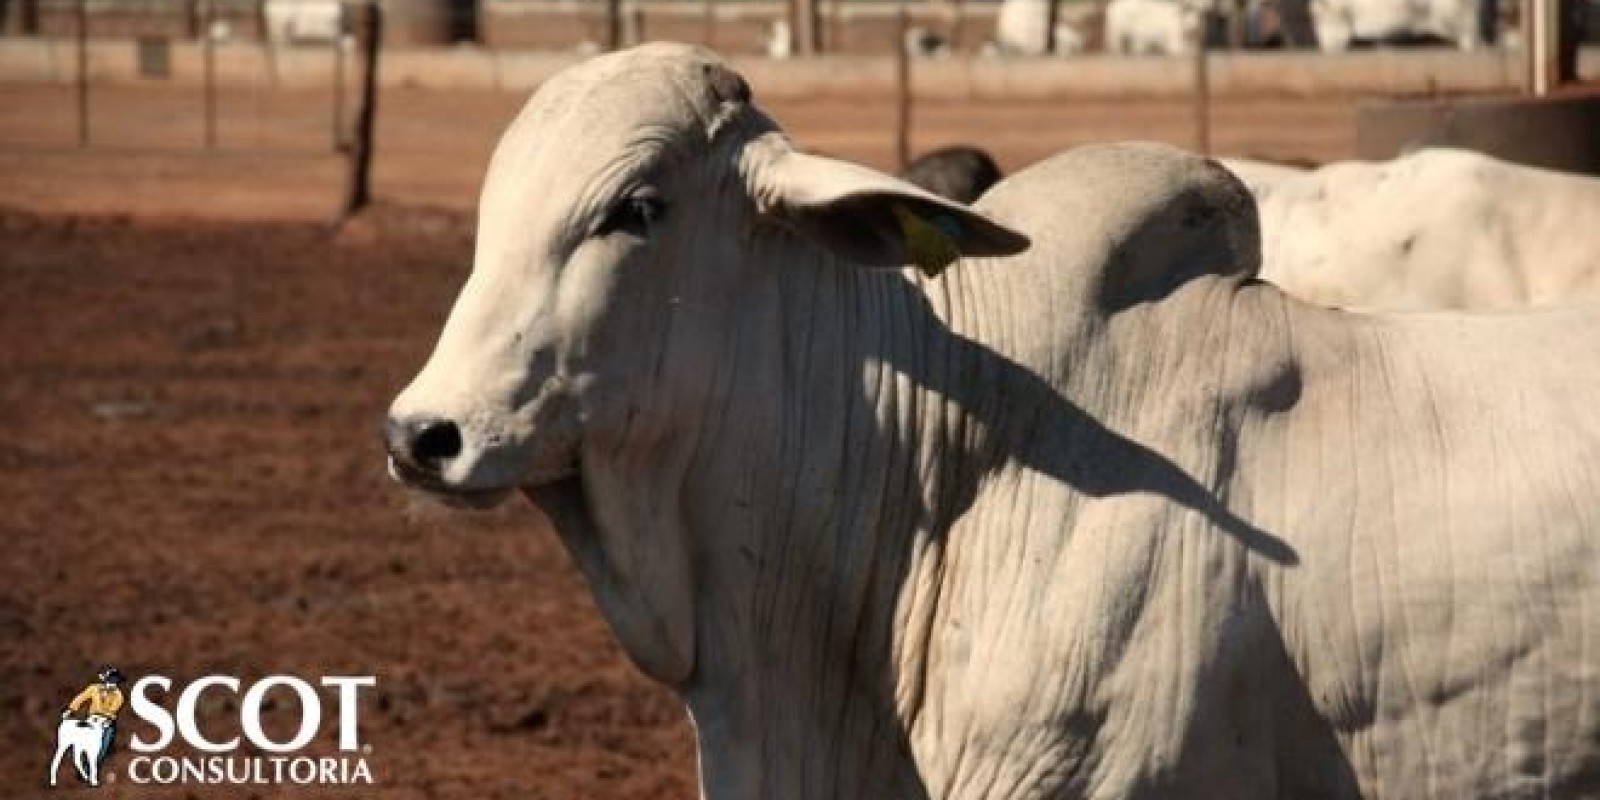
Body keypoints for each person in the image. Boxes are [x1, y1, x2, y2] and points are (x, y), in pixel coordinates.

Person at [63, 666, 125, 771]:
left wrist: (106, 719)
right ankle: (80, 759)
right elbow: (81, 698)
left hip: (107, 720)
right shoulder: (94, 689)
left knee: (105, 742)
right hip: (92, 718)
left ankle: (97, 762)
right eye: (111, 680)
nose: (113, 683)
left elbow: (112, 711)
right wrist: (71, 709)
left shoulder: (119, 695)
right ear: (105, 680)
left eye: (115, 681)